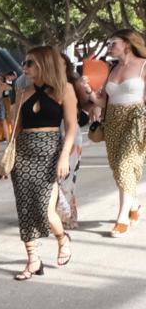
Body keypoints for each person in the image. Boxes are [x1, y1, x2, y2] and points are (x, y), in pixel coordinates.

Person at [10, 46, 77, 281]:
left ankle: (62, 238)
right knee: (25, 209)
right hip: (23, 154)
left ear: (44, 64)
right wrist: (6, 158)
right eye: (25, 63)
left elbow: (71, 127)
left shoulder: (64, 89)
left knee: (45, 211)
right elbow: (15, 129)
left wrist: (64, 156)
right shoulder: (22, 92)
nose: (24, 67)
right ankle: (33, 260)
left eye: (30, 63)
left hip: (50, 154)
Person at [91, 29, 146, 237]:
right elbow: (104, 101)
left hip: (136, 118)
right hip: (112, 121)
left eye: (112, 42)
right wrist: (90, 94)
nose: (109, 46)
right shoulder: (112, 69)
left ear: (127, 44)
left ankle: (122, 217)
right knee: (118, 167)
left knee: (125, 164)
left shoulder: (143, 65)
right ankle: (134, 205)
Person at [56, 54, 91, 229]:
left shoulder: (72, 83)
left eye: (61, 64)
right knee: (56, 178)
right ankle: (58, 215)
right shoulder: (42, 84)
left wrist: (89, 91)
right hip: (52, 133)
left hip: (71, 131)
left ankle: (69, 216)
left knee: (68, 177)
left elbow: (87, 104)